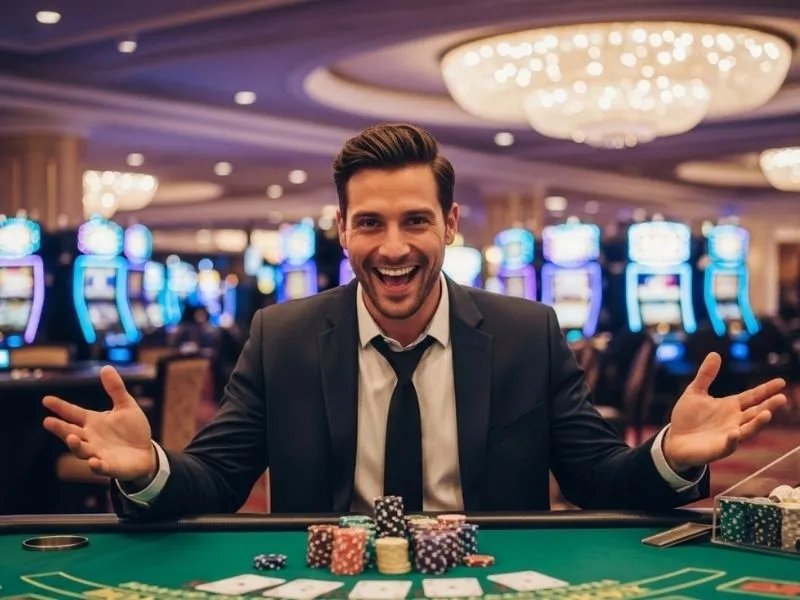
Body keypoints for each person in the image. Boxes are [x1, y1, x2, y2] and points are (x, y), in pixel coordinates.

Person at [42, 124, 787, 518]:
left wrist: (673, 453)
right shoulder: (284, 337)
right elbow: (217, 481)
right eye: (369, 223)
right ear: (342, 228)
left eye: (415, 221)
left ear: (451, 224)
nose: (392, 248)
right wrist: (150, 471)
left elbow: (597, 479)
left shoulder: (528, 333)